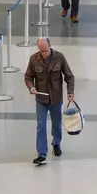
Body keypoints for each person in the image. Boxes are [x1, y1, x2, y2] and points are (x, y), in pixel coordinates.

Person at [24, 38, 75, 166]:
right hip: (41, 98)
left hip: (56, 98)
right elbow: (28, 76)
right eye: (41, 51)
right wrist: (31, 87)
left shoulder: (59, 57)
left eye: (45, 51)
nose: (43, 54)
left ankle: (56, 143)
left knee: (56, 124)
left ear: (50, 46)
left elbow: (69, 76)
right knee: (40, 125)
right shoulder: (33, 59)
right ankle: (42, 153)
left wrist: (70, 92)